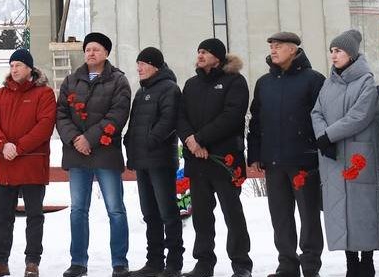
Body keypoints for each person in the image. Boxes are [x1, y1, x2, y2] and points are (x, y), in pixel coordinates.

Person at [55, 32, 133, 277]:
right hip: (77, 154)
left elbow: (118, 114)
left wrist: (89, 138)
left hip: (106, 153)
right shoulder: (71, 81)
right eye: (88, 49)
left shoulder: (119, 81)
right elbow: (61, 114)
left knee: (115, 209)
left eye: (96, 49)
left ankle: (119, 262)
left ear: (106, 53)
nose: (91, 53)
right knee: (78, 209)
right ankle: (78, 262)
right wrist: (75, 139)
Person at [249, 32, 325, 277]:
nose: (273, 49)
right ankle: (287, 265)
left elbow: (322, 119)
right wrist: (256, 153)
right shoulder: (264, 83)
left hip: (304, 160)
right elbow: (256, 121)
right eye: (271, 45)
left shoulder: (313, 80)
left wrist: (318, 151)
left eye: (278, 46)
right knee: (280, 217)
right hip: (273, 161)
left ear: (293, 49)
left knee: (309, 215)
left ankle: (310, 265)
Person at [177, 38, 252, 277]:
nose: (200, 55)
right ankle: (203, 263)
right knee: (201, 215)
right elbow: (180, 116)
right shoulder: (191, 84)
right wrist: (190, 140)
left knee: (232, 213)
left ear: (218, 57)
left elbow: (232, 117)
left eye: (206, 52)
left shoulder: (235, 82)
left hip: (225, 159)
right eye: (198, 50)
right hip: (197, 160)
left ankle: (241, 264)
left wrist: (200, 139)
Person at [312, 30, 379, 277]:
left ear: (351, 55)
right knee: (339, 209)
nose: (333, 56)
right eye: (332, 51)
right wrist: (323, 135)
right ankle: (351, 262)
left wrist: (327, 135)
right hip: (333, 156)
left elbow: (360, 115)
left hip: (358, 155)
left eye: (338, 51)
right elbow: (316, 112)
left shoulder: (366, 81)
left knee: (362, 209)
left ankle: (367, 260)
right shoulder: (328, 82)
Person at [0, 49, 56, 277]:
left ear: (30, 69)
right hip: (7, 163)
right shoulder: (1, 94)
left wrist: (19, 147)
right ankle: (0, 261)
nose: (14, 69)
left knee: (34, 215)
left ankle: (32, 262)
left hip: (32, 162)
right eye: (12, 65)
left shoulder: (44, 93)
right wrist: (3, 144)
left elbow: (45, 126)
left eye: (19, 65)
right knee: (3, 215)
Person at [122, 47, 183, 277]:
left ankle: (174, 264)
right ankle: (154, 262)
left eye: (143, 64)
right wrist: (130, 143)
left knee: (168, 212)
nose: (139, 68)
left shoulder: (169, 89)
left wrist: (149, 141)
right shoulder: (141, 91)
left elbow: (168, 121)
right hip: (142, 161)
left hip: (161, 161)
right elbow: (135, 123)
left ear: (155, 66)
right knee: (149, 214)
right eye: (138, 64)